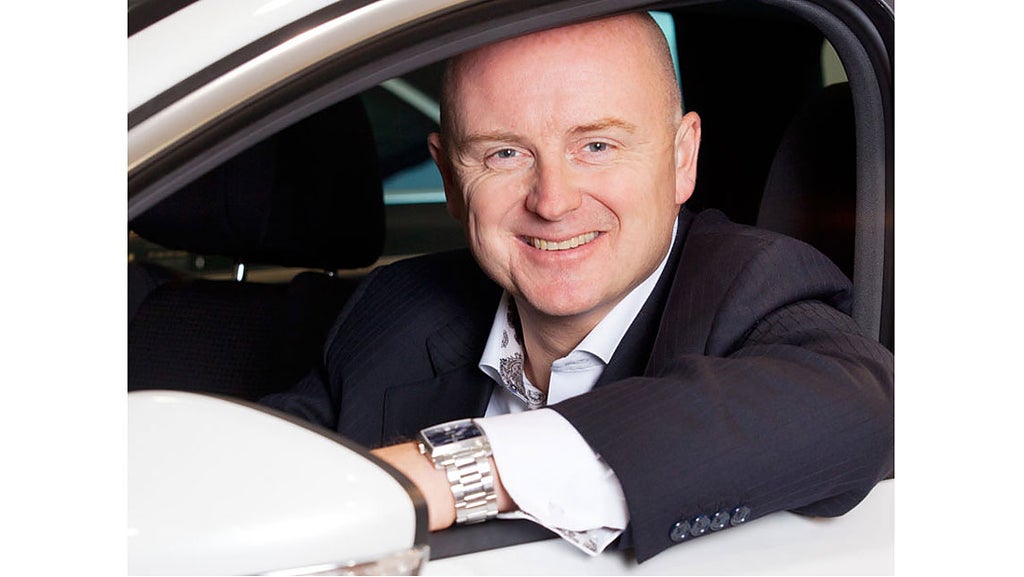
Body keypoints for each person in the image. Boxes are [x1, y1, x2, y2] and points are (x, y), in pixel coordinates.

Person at [261, 12, 894, 562]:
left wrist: (457, 471)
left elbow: (865, 408)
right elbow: (252, 480)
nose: (553, 201)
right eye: (505, 154)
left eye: (596, 145)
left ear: (682, 158)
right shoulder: (395, 310)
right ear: (451, 179)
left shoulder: (753, 282)